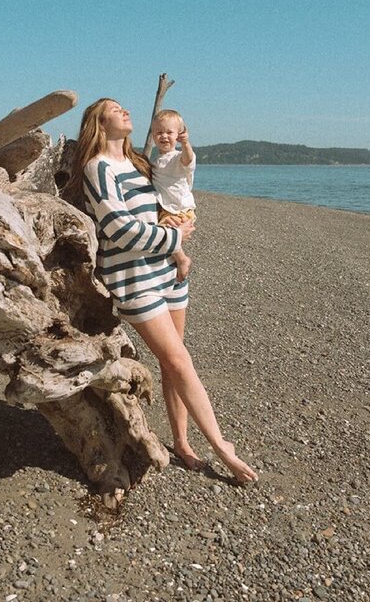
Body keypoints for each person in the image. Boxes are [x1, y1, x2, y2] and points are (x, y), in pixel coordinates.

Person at [65, 97, 258, 484]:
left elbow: (171, 193)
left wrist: (176, 242)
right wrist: (172, 236)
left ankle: (183, 443)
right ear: (98, 123)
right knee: (179, 361)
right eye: (114, 108)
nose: (125, 111)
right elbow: (117, 228)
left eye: (124, 107)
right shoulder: (97, 167)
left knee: (175, 363)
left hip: (165, 270)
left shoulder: (139, 164)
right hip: (132, 276)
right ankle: (222, 446)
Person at [149, 109, 197, 281]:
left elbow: (188, 160)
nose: (164, 136)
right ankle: (174, 264)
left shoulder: (178, 157)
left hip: (180, 208)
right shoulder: (155, 161)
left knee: (167, 233)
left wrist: (186, 144)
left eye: (170, 132)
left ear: (179, 135)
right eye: (159, 133)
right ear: (153, 136)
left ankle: (182, 260)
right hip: (166, 209)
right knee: (163, 235)